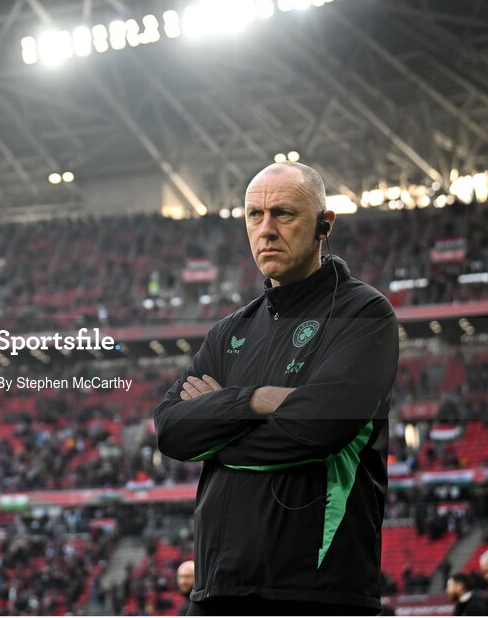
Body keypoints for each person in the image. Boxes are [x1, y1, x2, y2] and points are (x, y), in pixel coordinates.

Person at [153, 162, 399, 616]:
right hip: (218, 588)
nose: (265, 230)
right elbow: (170, 430)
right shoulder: (230, 330)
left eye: (283, 214)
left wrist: (218, 429)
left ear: (325, 225)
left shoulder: (364, 312)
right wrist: (255, 400)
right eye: (254, 215)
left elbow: (320, 426)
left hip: (314, 590)